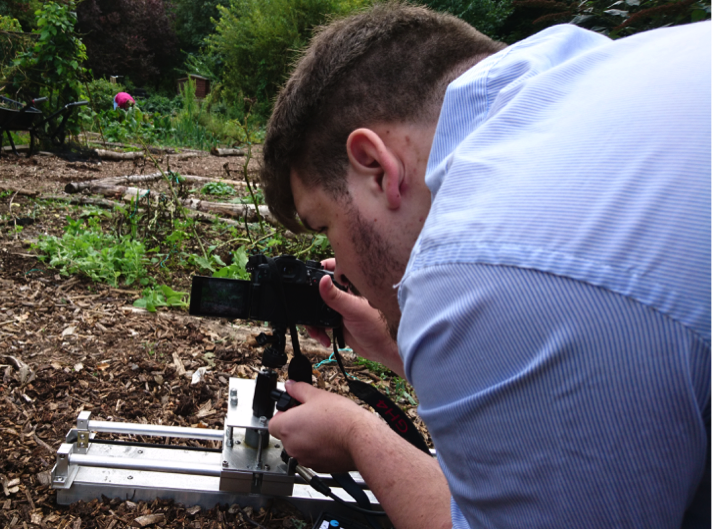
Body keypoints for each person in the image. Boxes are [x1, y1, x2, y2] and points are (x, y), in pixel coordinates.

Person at [260, 3, 711, 528]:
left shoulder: (480, 262)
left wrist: (358, 436)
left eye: (325, 225)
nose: (343, 274)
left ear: (375, 167)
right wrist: (403, 350)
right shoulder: (577, 68)